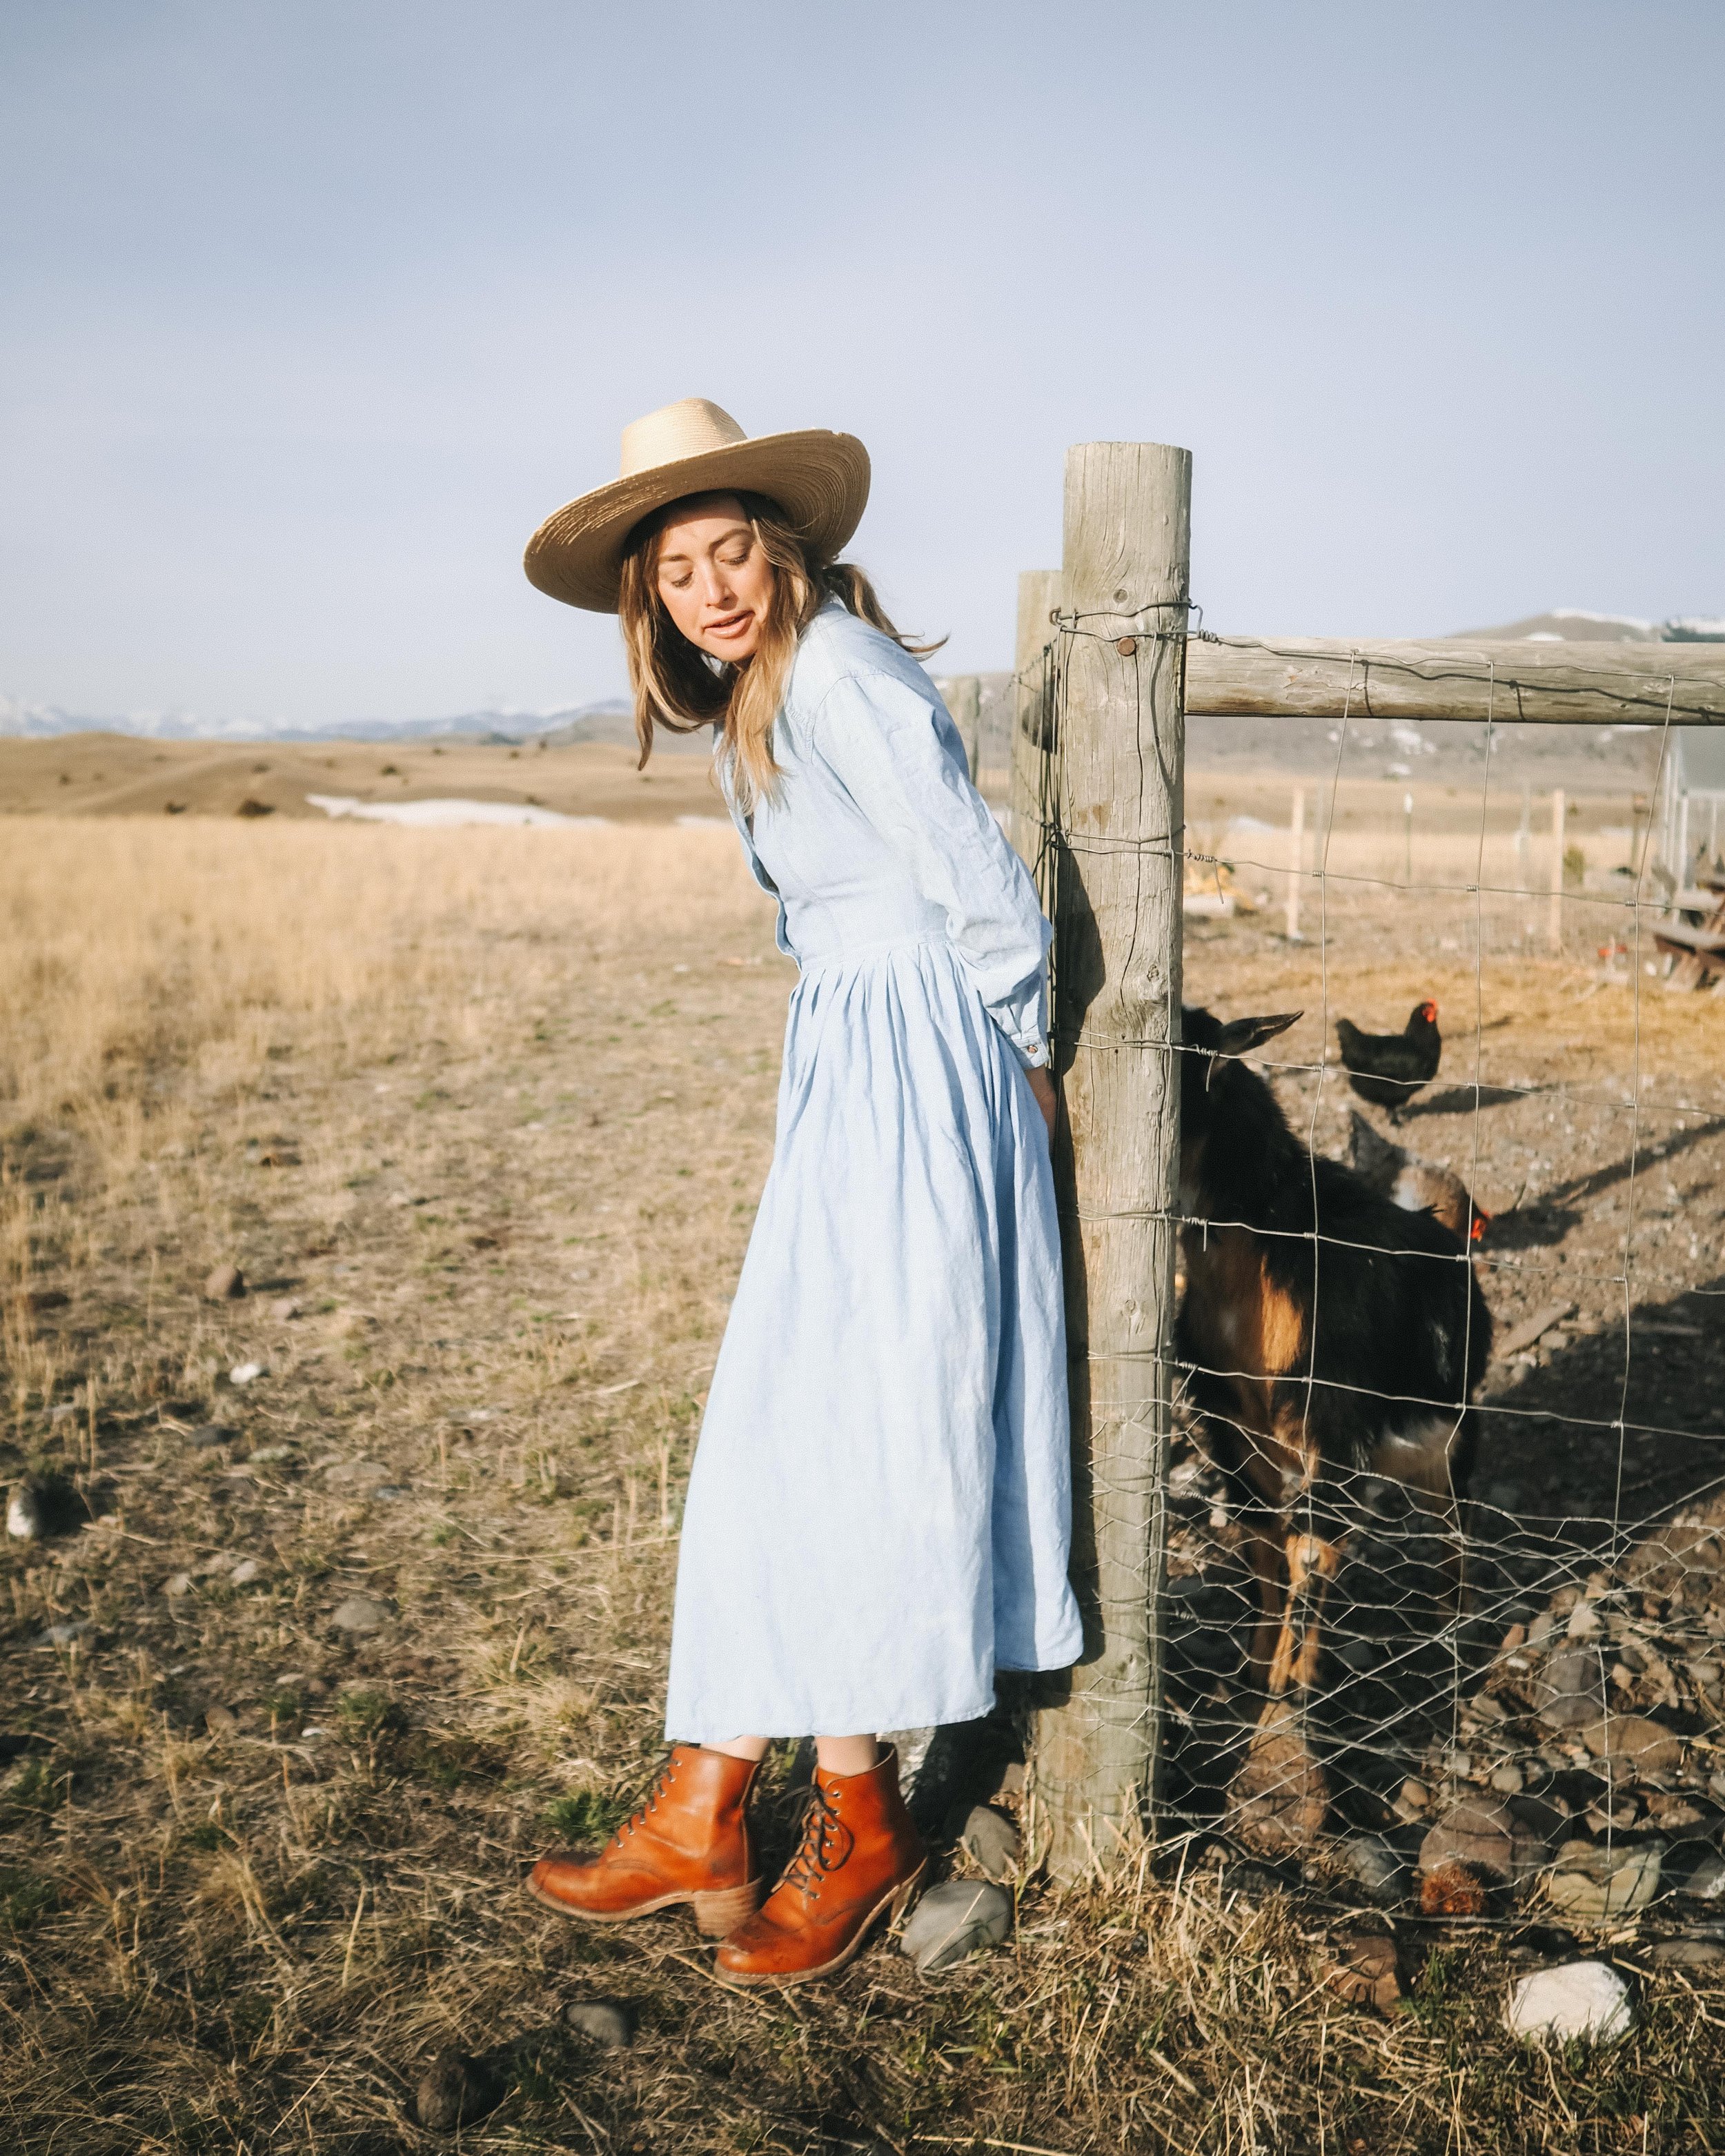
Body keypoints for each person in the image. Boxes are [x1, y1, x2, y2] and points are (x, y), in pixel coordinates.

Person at [518, 399, 1082, 1989]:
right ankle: (717, 1803)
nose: (706, 585)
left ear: (781, 546)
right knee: (786, 1415)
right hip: (853, 1059)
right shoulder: (757, 697)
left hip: (921, 1065)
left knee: (852, 1420)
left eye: (727, 550)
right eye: (675, 568)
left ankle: (844, 1808)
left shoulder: (834, 669)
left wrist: (1025, 1057)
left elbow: (970, 871)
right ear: (652, 600)